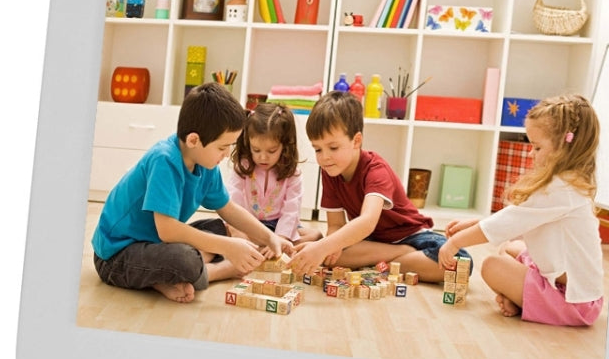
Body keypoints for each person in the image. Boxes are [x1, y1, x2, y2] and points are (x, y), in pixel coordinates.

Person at [92, 82, 292, 304]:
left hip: (154, 243)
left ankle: (168, 276)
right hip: (116, 255)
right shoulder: (164, 160)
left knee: (219, 228)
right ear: (194, 140)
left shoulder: (205, 163)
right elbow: (167, 230)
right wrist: (228, 248)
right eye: (222, 147)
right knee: (186, 259)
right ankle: (215, 271)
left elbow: (228, 208)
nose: (227, 154)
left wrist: (269, 237)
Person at [439, 94, 604, 326]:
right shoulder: (567, 183)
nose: (530, 153)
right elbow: (516, 219)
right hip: (575, 288)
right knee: (509, 248)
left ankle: (525, 301)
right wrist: (472, 224)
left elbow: (507, 223)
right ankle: (522, 299)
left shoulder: (560, 190)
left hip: (574, 301)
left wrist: (456, 243)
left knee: (492, 266)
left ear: (564, 148)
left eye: (537, 147)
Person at [289, 90, 469, 282]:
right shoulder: (330, 170)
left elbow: (367, 221)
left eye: (333, 148)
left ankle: (394, 257)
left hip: (411, 237)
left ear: (356, 141)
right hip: (373, 242)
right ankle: (399, 257)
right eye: (318, 149)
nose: (324, 157)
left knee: (460, 263)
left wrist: (323, 247)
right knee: (332, 256)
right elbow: (335, 225)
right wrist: (329, 247)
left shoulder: (376, 170)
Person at [226, 101, 322, 244]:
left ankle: (268, 244)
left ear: (285, 145)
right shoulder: (243, 166)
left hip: (278, 225)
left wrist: (281, 238)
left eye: (272, 151)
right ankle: (263, 244)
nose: (263, 157)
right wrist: (238, 231)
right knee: (227, 230)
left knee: (315, 236)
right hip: (251, 224)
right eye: (256, 150)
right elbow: (233, 199)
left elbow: (291, 210)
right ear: (248, 143)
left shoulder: (292, 173)